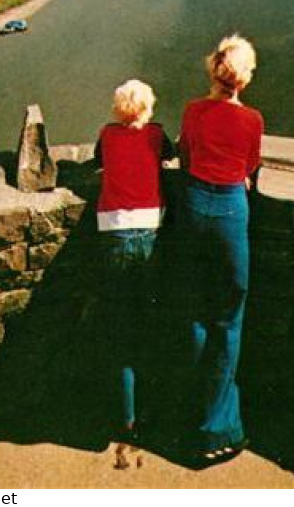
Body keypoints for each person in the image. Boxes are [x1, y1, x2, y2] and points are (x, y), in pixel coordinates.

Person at [178, 34, 264, 466]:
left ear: (212, 70)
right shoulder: (252, 120)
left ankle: (190, 413)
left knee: (195, 311)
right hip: (230, 211)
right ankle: (218, 428)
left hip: (194, 205)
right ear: (243, 80)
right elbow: (249, 167)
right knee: (228, 318)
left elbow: (185, 155)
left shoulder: (193, 111)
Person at [96, 78, 173, 441]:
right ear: (147, 108)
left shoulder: (107, 135)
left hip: (113, 233)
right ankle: (151, 408)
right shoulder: (156, 135)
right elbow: (170, 158)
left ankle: (125, 417)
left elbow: (98, 161)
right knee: (149, 321)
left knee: (121, 326)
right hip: (149, 234)